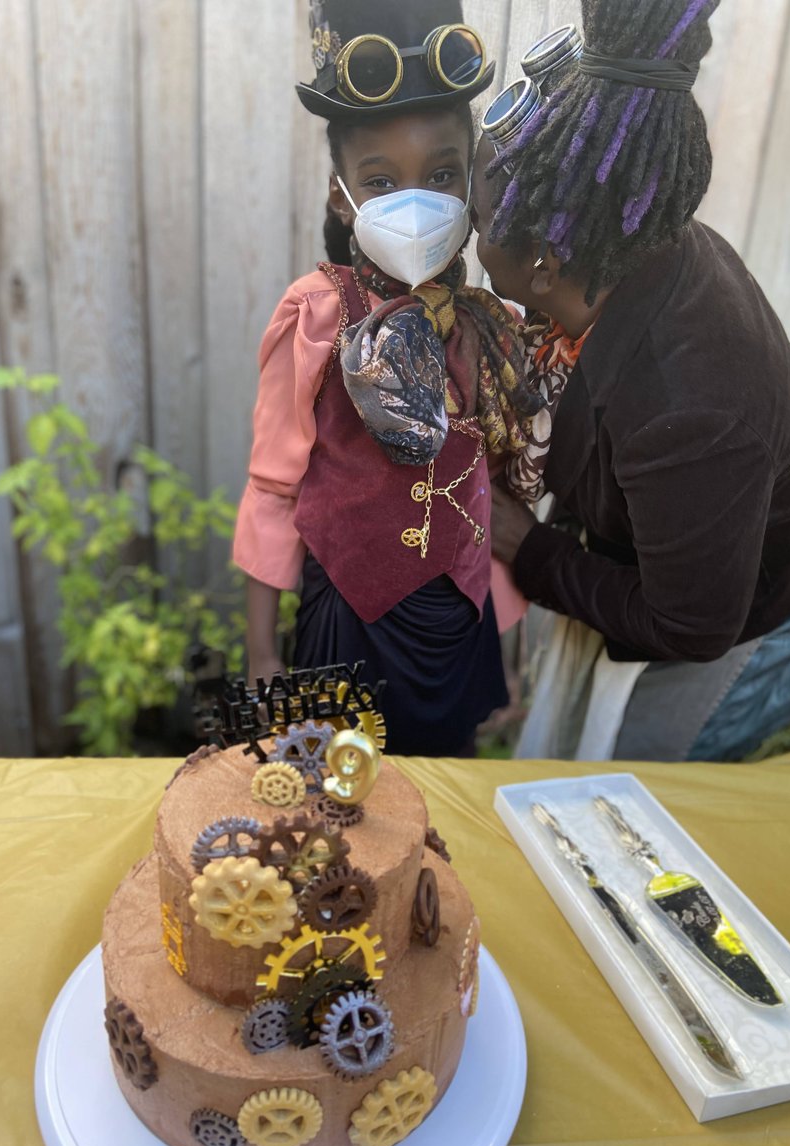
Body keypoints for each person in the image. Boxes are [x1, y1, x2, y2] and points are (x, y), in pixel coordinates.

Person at [470, 0, 790, 762]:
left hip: (760, 612)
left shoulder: (693, 406)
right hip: (701, 548)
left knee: (636, 796)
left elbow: (693, 626)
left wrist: (532, 551)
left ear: (544, 263)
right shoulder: (627, 242)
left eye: (477, 221)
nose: (467, 232)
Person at [233, 0, 540, 756]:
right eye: (380, 180)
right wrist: (263, 655)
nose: (415, 202)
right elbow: (273, 489)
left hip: (457, 624)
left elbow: (484, 495)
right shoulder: (317, 317)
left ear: (473, 181)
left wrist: (504, 644)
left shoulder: (488, 327)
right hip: (350, 617)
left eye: (441, 174)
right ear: (343, 195)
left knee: (445, 798)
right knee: (344, 809)